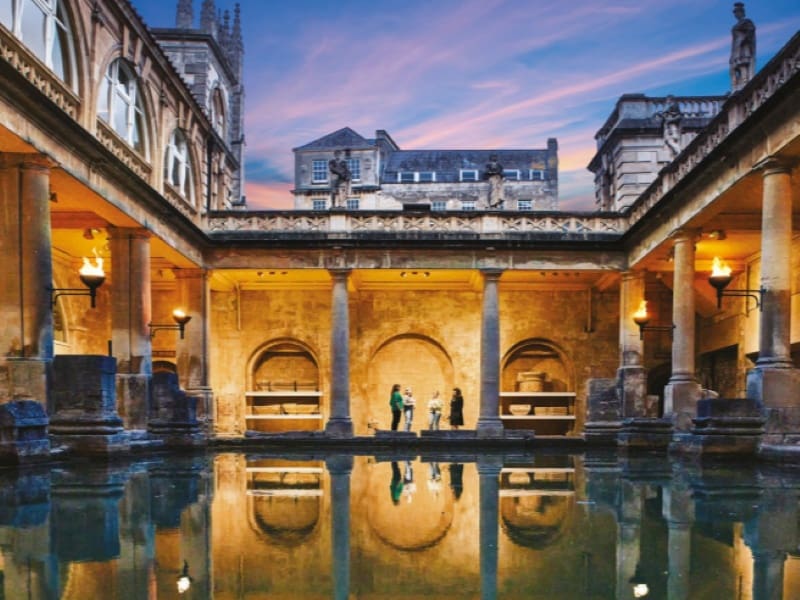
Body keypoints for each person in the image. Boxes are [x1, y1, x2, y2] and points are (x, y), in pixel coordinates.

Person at [730, 2, 755, 91]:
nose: (736, 14)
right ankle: (739, 85)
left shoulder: (747, 22)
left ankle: (745, 83)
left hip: (743, 48)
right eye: (735, 13)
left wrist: (743, 39)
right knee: (735, 68)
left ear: (742, 12)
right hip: (736, 48)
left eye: (737, 12)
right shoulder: (735, 25)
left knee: (742, 65)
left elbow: (751, 30)